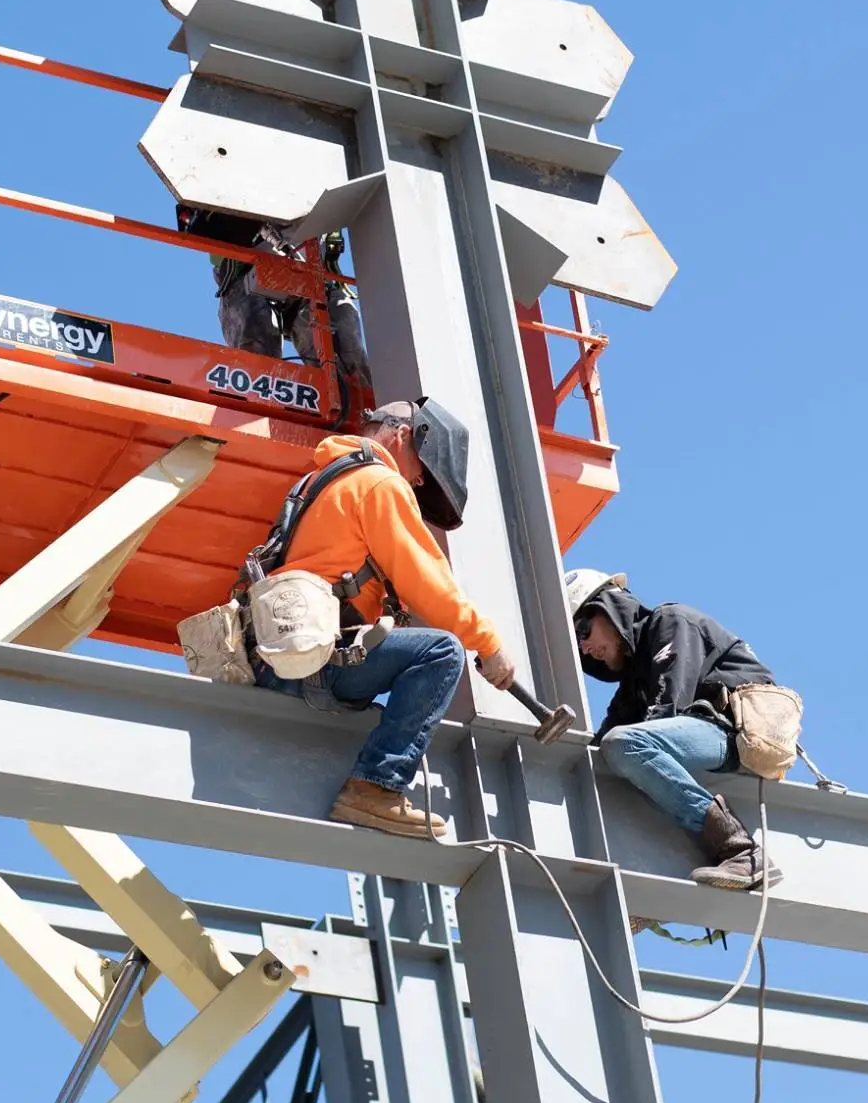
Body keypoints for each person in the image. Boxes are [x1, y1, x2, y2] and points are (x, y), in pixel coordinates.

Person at [250, 398, 512, 837]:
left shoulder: (322, 480)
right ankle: (376, 788)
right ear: (404, 435)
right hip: (319, 665)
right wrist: (489, 645)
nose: (415, 480)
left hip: (277, 658)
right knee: (442, 653)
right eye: (419, 470)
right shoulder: (379, 484)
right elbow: (431, 587)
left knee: (410, 652)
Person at [566, 568, 787, 890]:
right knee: (610, 752)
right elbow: (598, 752)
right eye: (576, 642)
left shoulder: (671, 621)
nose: (584, 648)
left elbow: (669, 706)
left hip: (733, 733)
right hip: (703, 742)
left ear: (610, 606)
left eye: (583, 630)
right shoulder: (632, 684)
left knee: (624, 744)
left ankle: (740, 850)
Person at [180, 204, 372, 387]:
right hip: (248, 274)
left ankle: (360, 406)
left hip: (310, 276)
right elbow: (203, 227)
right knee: (257, 346)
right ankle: (257, 404)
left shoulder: (320, 183)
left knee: (341, 326)